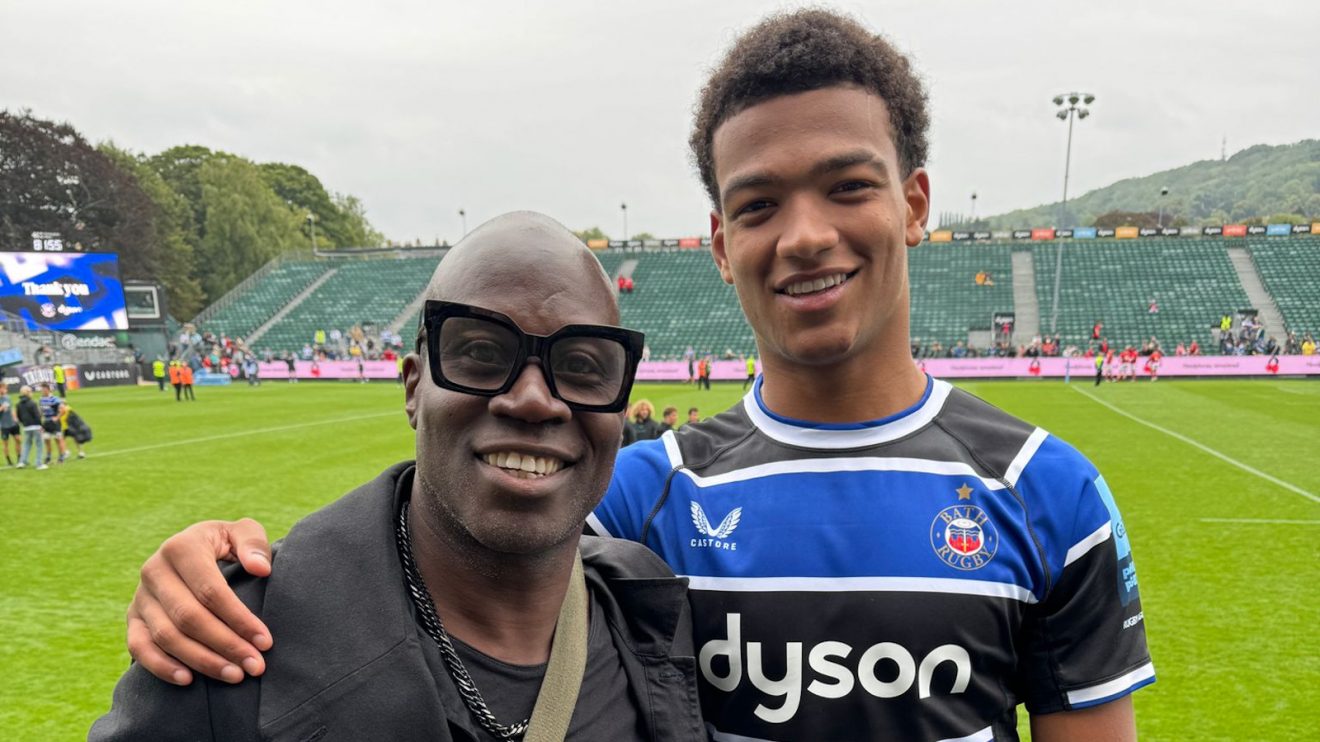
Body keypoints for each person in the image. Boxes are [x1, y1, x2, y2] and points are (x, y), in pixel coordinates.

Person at [120, 10, 1152, 741]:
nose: (803, 235)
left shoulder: (1049, 495)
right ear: (717, 240)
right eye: (757, 205)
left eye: (847, 187)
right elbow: (429, 560)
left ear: (917, 202)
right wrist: (221, 566)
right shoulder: (641, 495)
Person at [92, 213, 702, 741]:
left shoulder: (643, 607)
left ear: (620, 408)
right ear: (414, 386)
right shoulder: (230, 644)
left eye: (582, 366)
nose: (534, 400)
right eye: (483, 354)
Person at [15, 386, 46, 470]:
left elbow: (19, 416)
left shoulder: (18, 404)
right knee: (39, 445)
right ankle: (39, 464)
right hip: (36, 426)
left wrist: (24, 423)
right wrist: (41, 426)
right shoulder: (32, 403)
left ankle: (22, 462)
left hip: (26, 427)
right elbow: (37, 416)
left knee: (26, 445)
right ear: (28, 393)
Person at [38, 383, 68, 465]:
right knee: (47, 440)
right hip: (46, 422)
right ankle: (48, 457)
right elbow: (40, 412)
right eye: (41, 389)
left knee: (58, 439)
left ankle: (61, 457)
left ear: (48, 389)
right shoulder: (41, 399)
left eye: (43, 389)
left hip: (54, 423)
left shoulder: (55, 399)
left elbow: (63, 410)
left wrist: (57, 418)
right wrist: (40, 423)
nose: (42, 391)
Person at [0, 383, 19, 466]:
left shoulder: (8, 398)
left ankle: (20, 458)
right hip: (4, 425)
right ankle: (9, 461)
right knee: (6, 443)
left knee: (18, 440)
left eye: (5, 388)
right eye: (3, 388)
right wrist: (1, 408)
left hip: (13, 423)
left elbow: (12, 408)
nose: (5, 390)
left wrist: (15, 418)